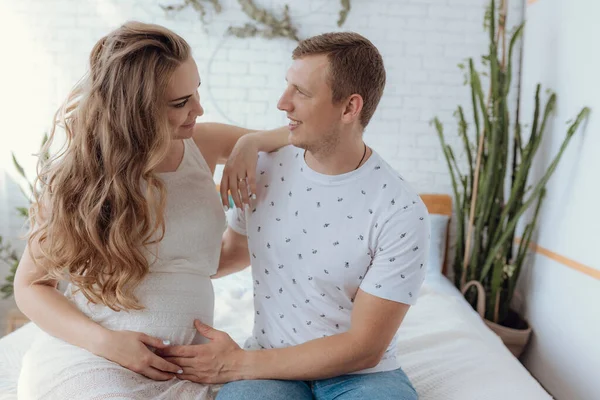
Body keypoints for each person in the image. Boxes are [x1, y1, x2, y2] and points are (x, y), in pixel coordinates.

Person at [14, 21, 288, 399]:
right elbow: (30, 286)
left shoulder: (203, 144)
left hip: (186, 368)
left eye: (196, 91)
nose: (199, 108)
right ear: (136, 111)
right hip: (95, 356)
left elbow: (299, 138)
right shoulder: (79, 177)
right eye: (180, 103)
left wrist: (252, 142)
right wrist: (107, 343)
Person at [160, 32, 430, 400]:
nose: (282, 103)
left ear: (350, 108)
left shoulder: (399, 210)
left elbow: (366, 347)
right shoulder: (265, 168)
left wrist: (236, 365)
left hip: (362, 376)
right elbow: (232, 254)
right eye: (287, 86)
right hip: (268, 364)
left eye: (300, 92)